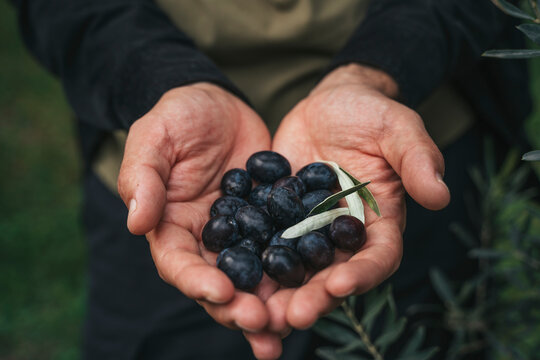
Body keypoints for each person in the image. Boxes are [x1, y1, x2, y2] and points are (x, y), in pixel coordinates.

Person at [11, 0, 531, 359]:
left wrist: (378, 69)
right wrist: (158, 78)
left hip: (396, 144)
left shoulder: (290, 200)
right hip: (179, 179)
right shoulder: (242, 204)